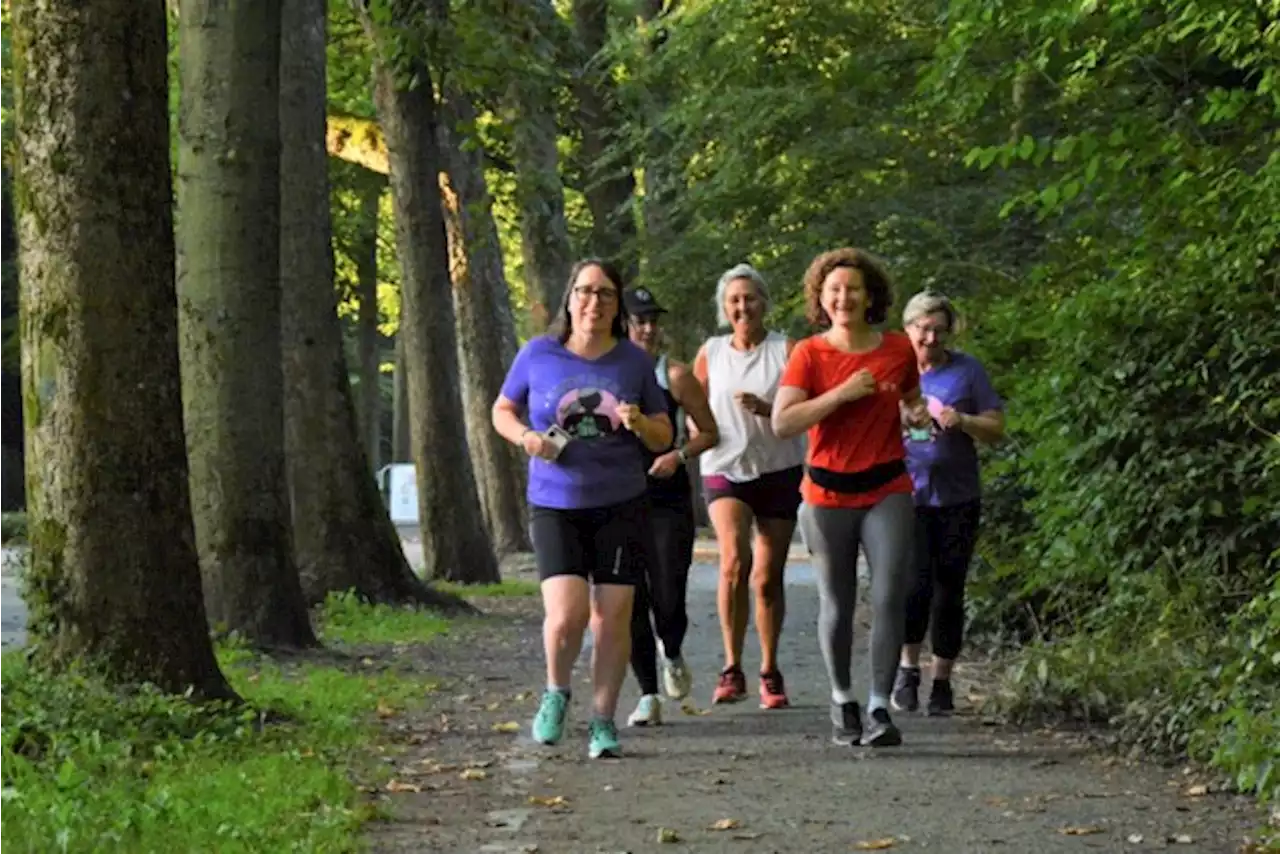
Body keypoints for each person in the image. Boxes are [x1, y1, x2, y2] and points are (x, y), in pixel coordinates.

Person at [491, 259, 673, 759]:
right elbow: (502, 410)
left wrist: (640, 424)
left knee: (612, 617)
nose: (595, 302)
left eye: (606, 295)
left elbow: (665, 434)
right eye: (586, 292)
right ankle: (556, 690)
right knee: (567, 616)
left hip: (620, 502)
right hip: (555, 502)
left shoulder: (633, 363)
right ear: (569, 298)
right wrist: (527, 437)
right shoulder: (537, 354)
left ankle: (603, 720)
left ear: (617, 307)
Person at [772, 248, 930, 748]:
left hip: (887, 486)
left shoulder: (899, 348)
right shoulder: (809, 354)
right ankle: (843, 700)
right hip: (826, 492)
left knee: (888, 595)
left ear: (870, 296)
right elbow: (783, 422)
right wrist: (840, 394)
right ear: (821, 297)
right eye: (834, 289)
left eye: (853, 288)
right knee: (837, 603)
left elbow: (908, 398)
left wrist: (916, 413)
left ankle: (881, 705)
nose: (844, 297)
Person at [694, 263, 806, 709]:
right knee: (734, 561)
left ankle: (769, 669)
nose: (743, 307)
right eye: (734, 300)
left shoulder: (788, 350)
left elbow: (803, 406)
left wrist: (767, 408)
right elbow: (693, 404)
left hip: (778, 467)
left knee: (766, 577)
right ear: (725, 308)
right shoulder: (712, 352)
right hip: (724, 465)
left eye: (750, 298)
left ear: (764, 303)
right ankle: (731, 665)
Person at [892, 290, 1005, 716]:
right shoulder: (892, 370)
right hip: (906, 494)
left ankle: (941, 681)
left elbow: (996, 428)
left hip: (958, 496)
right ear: (908, 329)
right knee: (913, 586)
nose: (930, 337)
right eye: (923, 328)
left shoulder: (966, 371)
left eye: (938, 329)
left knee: (949, 590)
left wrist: (964, 420)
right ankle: (907, 671)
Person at [622, 287, 721, 727]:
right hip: (617, 496)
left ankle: (673, 649)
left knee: (667, 590)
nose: (647, 329)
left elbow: (709, 432)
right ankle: (647, 693)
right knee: (628, 596)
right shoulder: (605, 374)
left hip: (666, 497)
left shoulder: (675, 375)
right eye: (638, 320)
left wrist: (677, 456)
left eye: (653, 321)